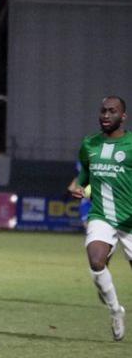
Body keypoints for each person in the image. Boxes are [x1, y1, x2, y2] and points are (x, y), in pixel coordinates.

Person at [69, 96, 129, 341]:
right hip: (102, 215)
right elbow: (84, 174)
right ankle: (116, 311)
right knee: (95, 260)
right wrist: (76, 185)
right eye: (103, 111)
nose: (106, 115)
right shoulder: (90, 144)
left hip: (131, 220)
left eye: (112, 111)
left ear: (123, 116)